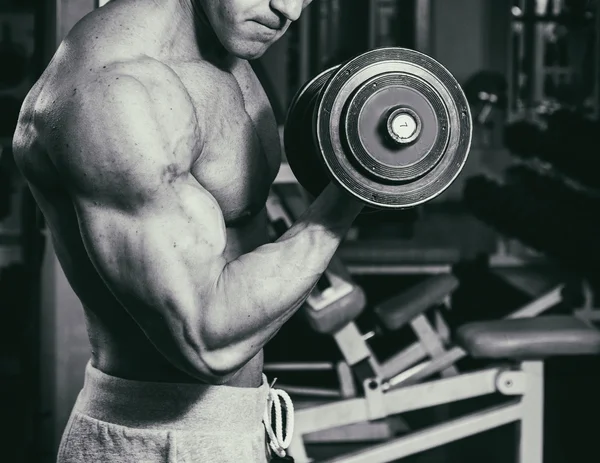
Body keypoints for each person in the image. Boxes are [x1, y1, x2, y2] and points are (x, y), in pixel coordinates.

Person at [13, 0, 364, 461]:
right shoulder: (114, 88)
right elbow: (208, 341)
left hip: (239, 424)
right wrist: (351, 195)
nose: (290, 10)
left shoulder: (226, 54)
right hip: (158, 442)